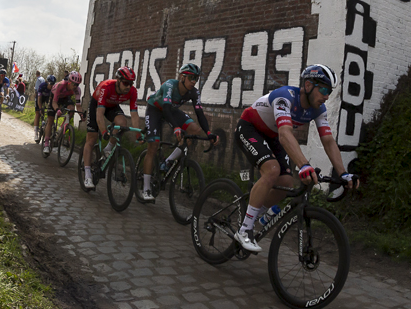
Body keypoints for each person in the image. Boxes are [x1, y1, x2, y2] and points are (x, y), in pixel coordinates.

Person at [231, 64, 358, 253]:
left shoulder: (318, 109)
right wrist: (304, 165)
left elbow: (329, 141)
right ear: (308, 86)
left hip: (272, 135)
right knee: (272, 170)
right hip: (250, 127)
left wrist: (343, 173)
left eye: (329, 91)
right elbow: (285, 133)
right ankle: (244, 230)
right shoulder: (285, 97)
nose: (327, 96)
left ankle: (257, 213)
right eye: (323, 89)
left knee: (287, 183)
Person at [139, 62, 218, 203]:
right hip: (156, 110)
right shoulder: (170, 85)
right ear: (182, 77)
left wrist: (209, 133)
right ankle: (146, 188)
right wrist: (176, 127)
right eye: (191, 78)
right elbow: (167, 109)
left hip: (171, 110)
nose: (194, 82)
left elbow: (199, 113)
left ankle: (168, 161)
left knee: (195, 130)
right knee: (153, 146)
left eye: (196, 78)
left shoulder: (194, 92)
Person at [82, 66, 142, 190]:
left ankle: (108, 148)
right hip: (97, 104)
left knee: (122, 123)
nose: (128, 87)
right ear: (118, 80)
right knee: (91, 138)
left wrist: (138, 133)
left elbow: (134, 115)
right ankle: (87, 175)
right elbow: (99, 115)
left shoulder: (132, 92)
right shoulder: (106, 87)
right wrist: (104, 132)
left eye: (131, 83)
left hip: (112, 106)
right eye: (125, 83)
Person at [44, 71, 83, 156]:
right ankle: (46, 143)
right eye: (74, 84)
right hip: (55, 96)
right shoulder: (61, 85)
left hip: (65, 97)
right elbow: (54, 102)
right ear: (69, 81)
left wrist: (81, 115)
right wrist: (57, 109)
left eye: (77, 84)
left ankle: (61, 129)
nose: (75, 86)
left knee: (71, 109)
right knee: (50, 120)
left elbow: (78, 105)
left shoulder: (77, 90)